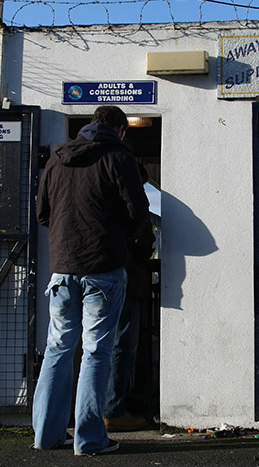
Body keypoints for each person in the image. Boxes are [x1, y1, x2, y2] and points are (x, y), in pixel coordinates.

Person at [32, 106, 149, 456]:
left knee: (58, 348)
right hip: (104, 269)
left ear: (89, 125)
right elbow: (137, 212)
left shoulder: (57, 158)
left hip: (63, 269)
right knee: (96, 352)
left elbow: (42, 214)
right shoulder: (118, 157)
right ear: (120, 130)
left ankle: (46, 435)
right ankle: (89, 439)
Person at [103, 164, 156, 432]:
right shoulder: (135, 201)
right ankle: (113, 409)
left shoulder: (102, 195)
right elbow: (144, 243)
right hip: (128, 279)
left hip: (94, 276)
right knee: (123, 345)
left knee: (94, 346)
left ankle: (95, 410)